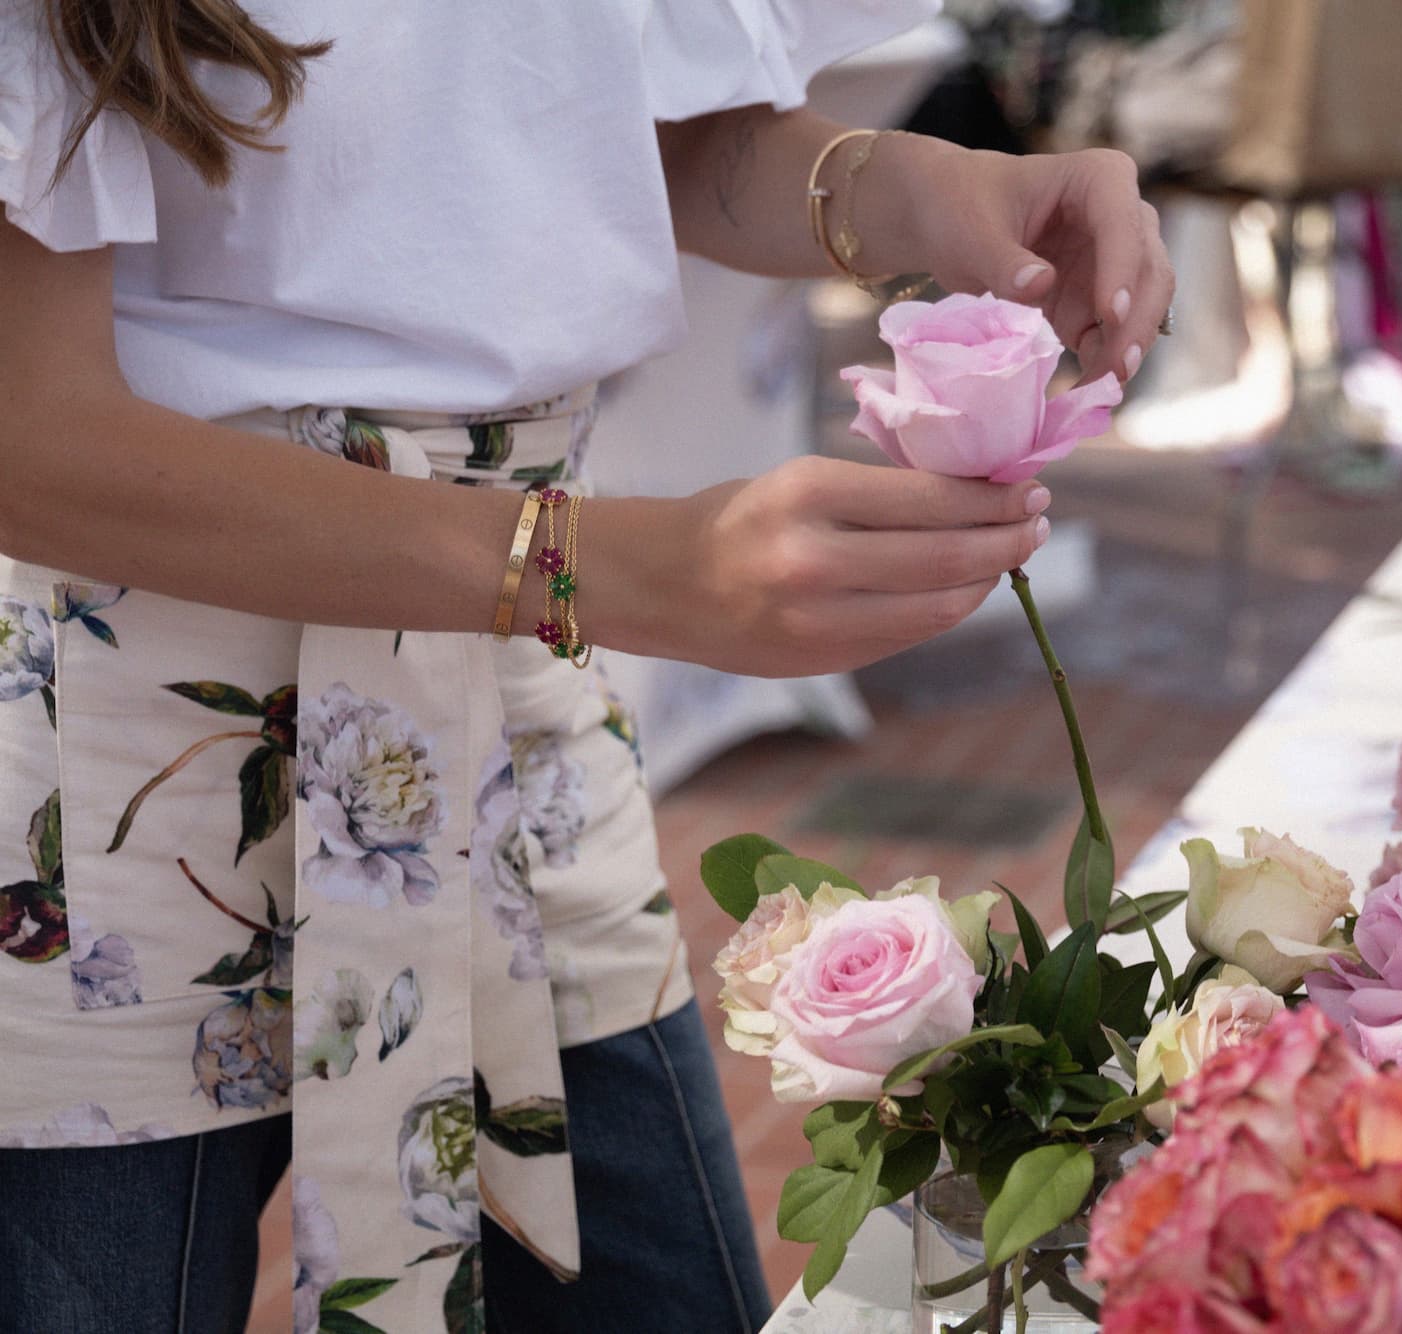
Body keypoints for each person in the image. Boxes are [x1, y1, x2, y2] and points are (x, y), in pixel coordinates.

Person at [0, 1, 1174, 1330]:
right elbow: (26, 428)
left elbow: (584, 129)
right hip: (114, 769)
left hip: (511, 691)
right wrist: (601, 569)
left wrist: (894, 188)